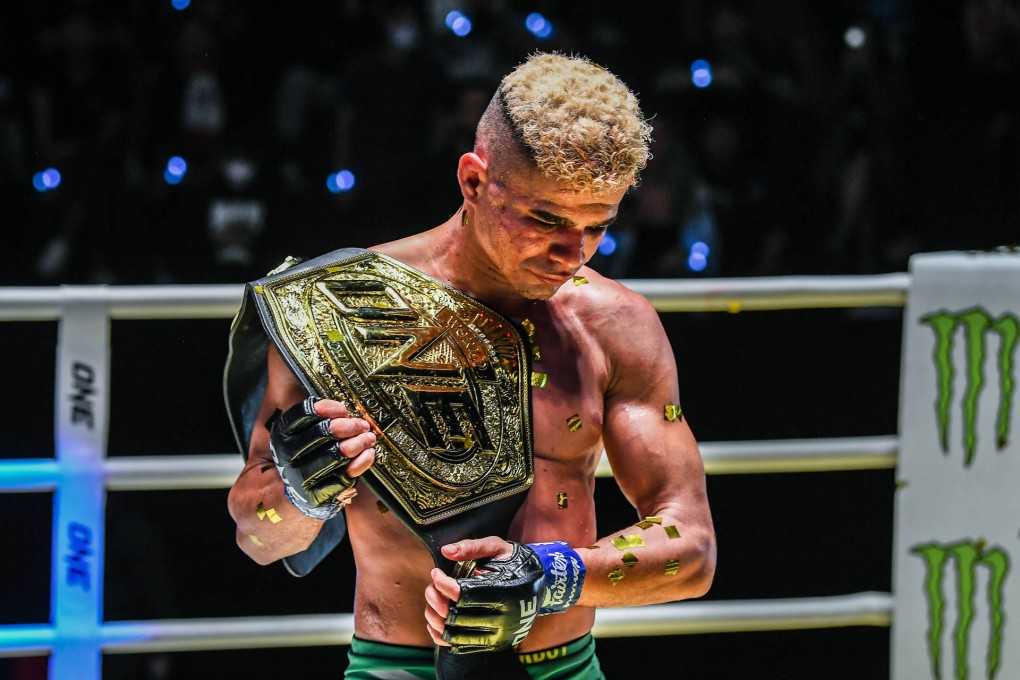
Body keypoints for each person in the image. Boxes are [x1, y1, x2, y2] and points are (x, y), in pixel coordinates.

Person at [226, 52, 716, 679]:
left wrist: (550, 576)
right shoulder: (334, 307)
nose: (572, 254)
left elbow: (693, 549)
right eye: (546, 219)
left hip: (562, 666)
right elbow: (259, 539)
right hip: (396, 665)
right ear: (474, 181)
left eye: (597, 226)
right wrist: (300, 491)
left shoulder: (615, 325)